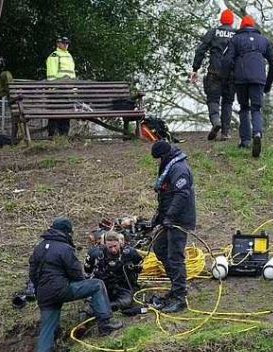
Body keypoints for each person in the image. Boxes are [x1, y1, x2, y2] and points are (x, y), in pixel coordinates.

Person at [29, 217, 122, 352]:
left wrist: (40, 290)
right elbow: (76, 274)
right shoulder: (65, 248)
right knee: (97, 285)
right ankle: (105, 324)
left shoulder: (39, 247)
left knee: (47, 329)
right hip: (61, 289)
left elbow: (33, 274)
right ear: (67, 232)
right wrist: (78, 281)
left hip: (44, 294)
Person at [150, 140, 196, 313]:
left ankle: (180, 296)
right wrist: (158, 218)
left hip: (179, 220)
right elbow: (166, 194)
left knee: (175, 256)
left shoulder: (179, 169)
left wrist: (170, 216)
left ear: (163, 155)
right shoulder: (169, 164)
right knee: (160, 248)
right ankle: (175, 287)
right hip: (169, 218)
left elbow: (181, 194)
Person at [223, 15, 273, 158]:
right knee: (256, 108)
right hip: (259, 79)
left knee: (244, 108)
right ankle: (257, 133)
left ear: (241, 26)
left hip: (241, 79)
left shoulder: (235, 39)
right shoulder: (264, 40)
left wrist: (227, 78)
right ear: (253, 26)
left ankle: (246, 140)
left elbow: (227, 60)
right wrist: (268, 82)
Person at [190, 9, 237, 141]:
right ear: (232, 21)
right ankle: (225, 132)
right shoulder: (237, 34)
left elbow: (201, 50)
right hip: (231, 74)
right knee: (228, 102)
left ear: (221, 20)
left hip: (214, 73)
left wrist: (195, 68)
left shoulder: (213, 32)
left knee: (213, 100)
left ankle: (216, 121)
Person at [84, 231, 144, 311]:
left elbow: (139, 265)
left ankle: (106, 307)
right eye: (110, 247)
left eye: (115, 246)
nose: (113, 250)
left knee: (127, 302)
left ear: (120, 242)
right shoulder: (95, 253)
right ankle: (97, 307)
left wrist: (133, 268)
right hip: (103, 284)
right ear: (104, 244)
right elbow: (87, 270)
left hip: (122, 285)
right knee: (90, 299)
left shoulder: (130, 252)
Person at [46, 36, 76, 136]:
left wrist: (74, 88)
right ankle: (52, 136)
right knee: (54, 114)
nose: (66, 45)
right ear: (58, 44)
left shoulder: (69, 56)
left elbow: (72, 73)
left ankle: (64, 136)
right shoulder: (54, 55)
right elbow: (51, 73)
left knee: (66, 114)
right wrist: (53, 87)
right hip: (57, 90)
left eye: (67, 43)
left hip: (68, 90)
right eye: (64, 43)